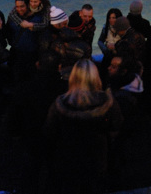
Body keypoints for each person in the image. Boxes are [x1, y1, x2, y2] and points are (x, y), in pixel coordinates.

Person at [43, 59, 123, 194]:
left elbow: (49, 131)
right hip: (97, 157)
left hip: (68, 157)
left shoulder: (60, 103)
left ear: (73, 77)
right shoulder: (107, 102)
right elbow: (117, 125)